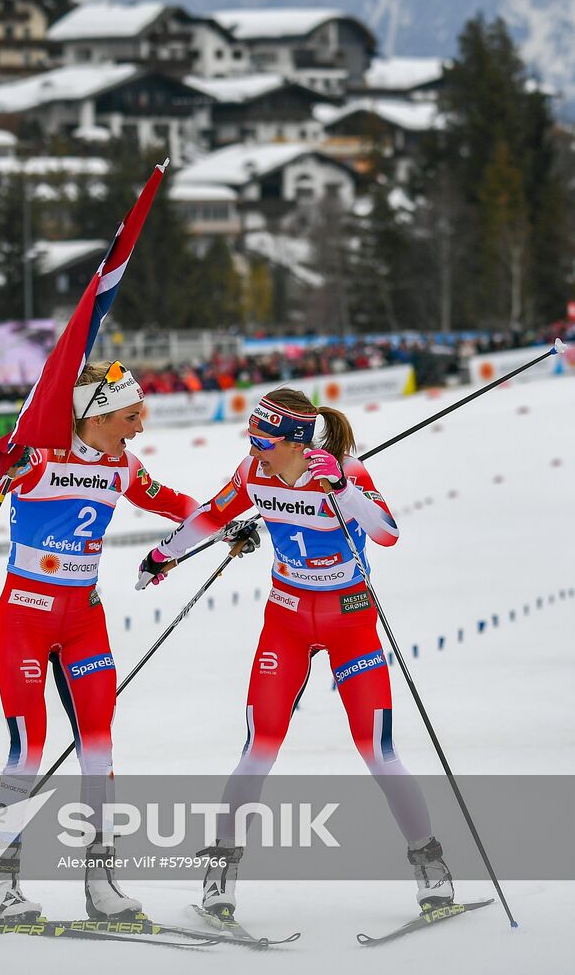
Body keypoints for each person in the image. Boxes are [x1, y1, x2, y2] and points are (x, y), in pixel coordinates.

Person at [137, 388, 454, 918]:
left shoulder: (344, 470)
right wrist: (163, 555)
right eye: (254, 437)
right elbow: (213, 516)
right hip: (286, 620)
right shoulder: (253, 472)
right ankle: (222, 870)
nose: (255, 448)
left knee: (377, 748)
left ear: (295, 440)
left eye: (264, 439)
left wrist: (343, 489)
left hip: (349, 620)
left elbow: (388, 533)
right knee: (259, 745)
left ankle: (428, 861)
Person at [0, 361, 199, 924]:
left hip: (83, 621)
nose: (138, 427)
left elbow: (176, 503)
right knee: (27, 750)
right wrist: (4, 458)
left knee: (99, 749)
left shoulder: (121, 465)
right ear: (93, 414)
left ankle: (101, 883)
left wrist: (229, 521)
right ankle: (2, 886)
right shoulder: (41, 456)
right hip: (26, 618)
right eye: (129, 415)